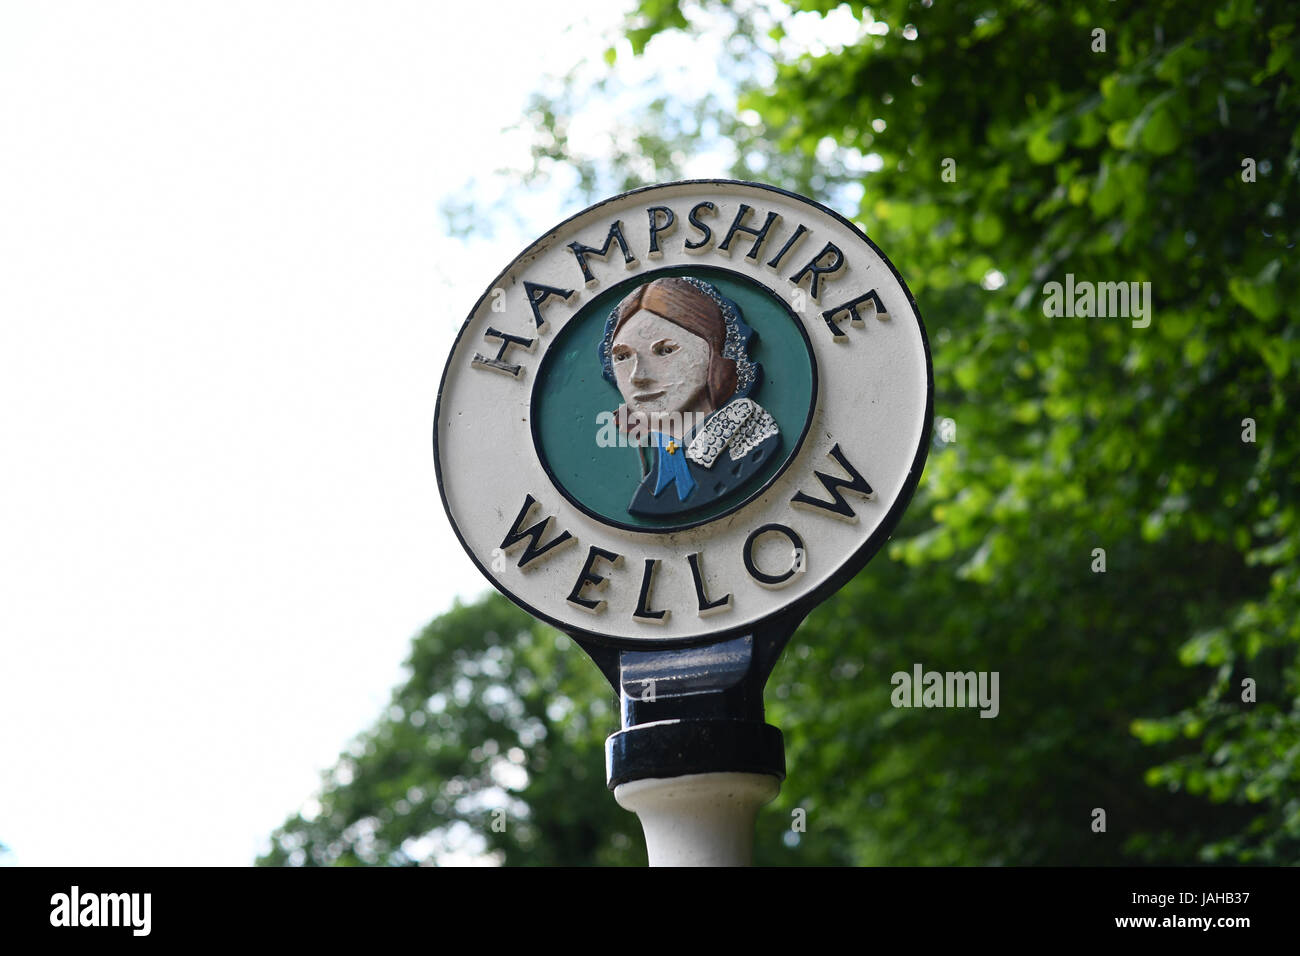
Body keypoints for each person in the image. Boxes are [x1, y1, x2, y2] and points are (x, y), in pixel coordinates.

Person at [598, 276, 780, 518]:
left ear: (713, 352)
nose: (638, 376)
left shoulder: (754, 443)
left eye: (665, 351)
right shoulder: (655, 480)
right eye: (622, 357)